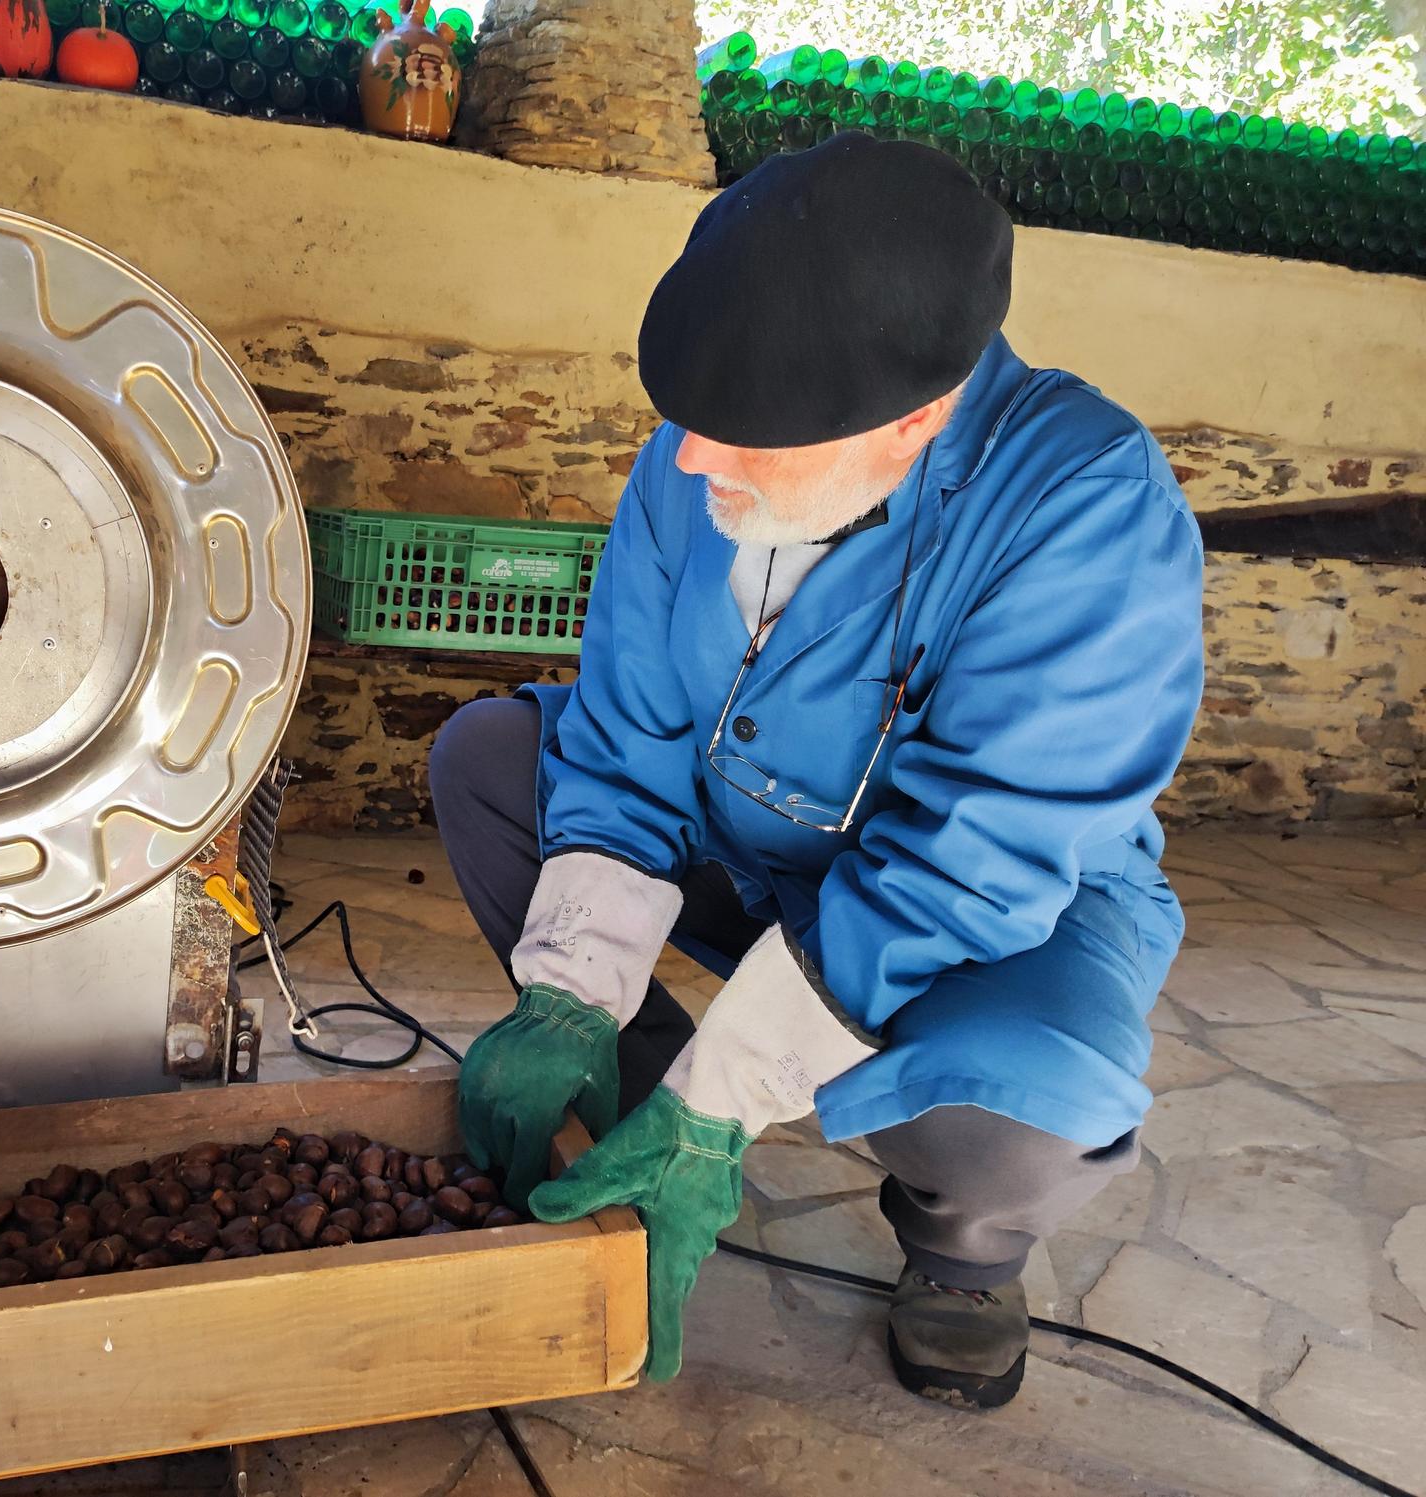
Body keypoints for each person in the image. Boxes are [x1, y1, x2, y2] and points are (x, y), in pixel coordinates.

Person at [430, 131, 1205, 1409]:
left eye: (735, 443)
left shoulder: (1085, 507)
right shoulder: (698, 452)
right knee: (492, 760)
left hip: (981, 927)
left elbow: (973, 867)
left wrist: (728, 1094)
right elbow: (624, 731)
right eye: (685, 426)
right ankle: (629, 1086)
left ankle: (962, 1256)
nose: (688, 465)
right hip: (746, 847)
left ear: (911, 421)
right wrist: (570, 991)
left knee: (1023, 1112)